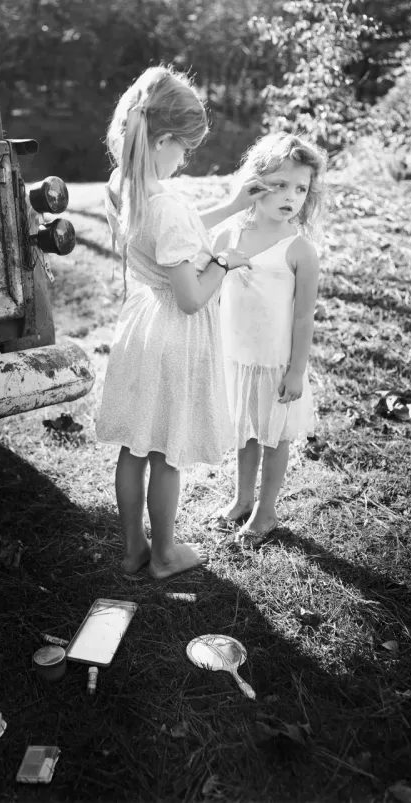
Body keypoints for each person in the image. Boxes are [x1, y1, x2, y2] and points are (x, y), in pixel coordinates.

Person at [96, 65, 268, 580]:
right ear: (164, 140)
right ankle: (166, 555)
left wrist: (233, 205)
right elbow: (192, 297)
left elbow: (176, 235)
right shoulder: (166, 202)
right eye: (184, 149)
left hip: (141, 326)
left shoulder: (121, 183)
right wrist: (224, 262)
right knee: (167, 452)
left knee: (135, 447)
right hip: (174, 330)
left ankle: (133, 552)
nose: (184, 158)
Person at [209, 132, 325, 547]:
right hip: (239, 355)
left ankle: (267, 509)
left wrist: (296, 371)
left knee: (275, 436)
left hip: (278, 362)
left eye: (300, 188)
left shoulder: (300, 250)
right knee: (246, 431)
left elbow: (302, 318)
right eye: (280, 185)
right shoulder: (230, 235)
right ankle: (243, 498)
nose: (290, 196)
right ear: (255, 183)